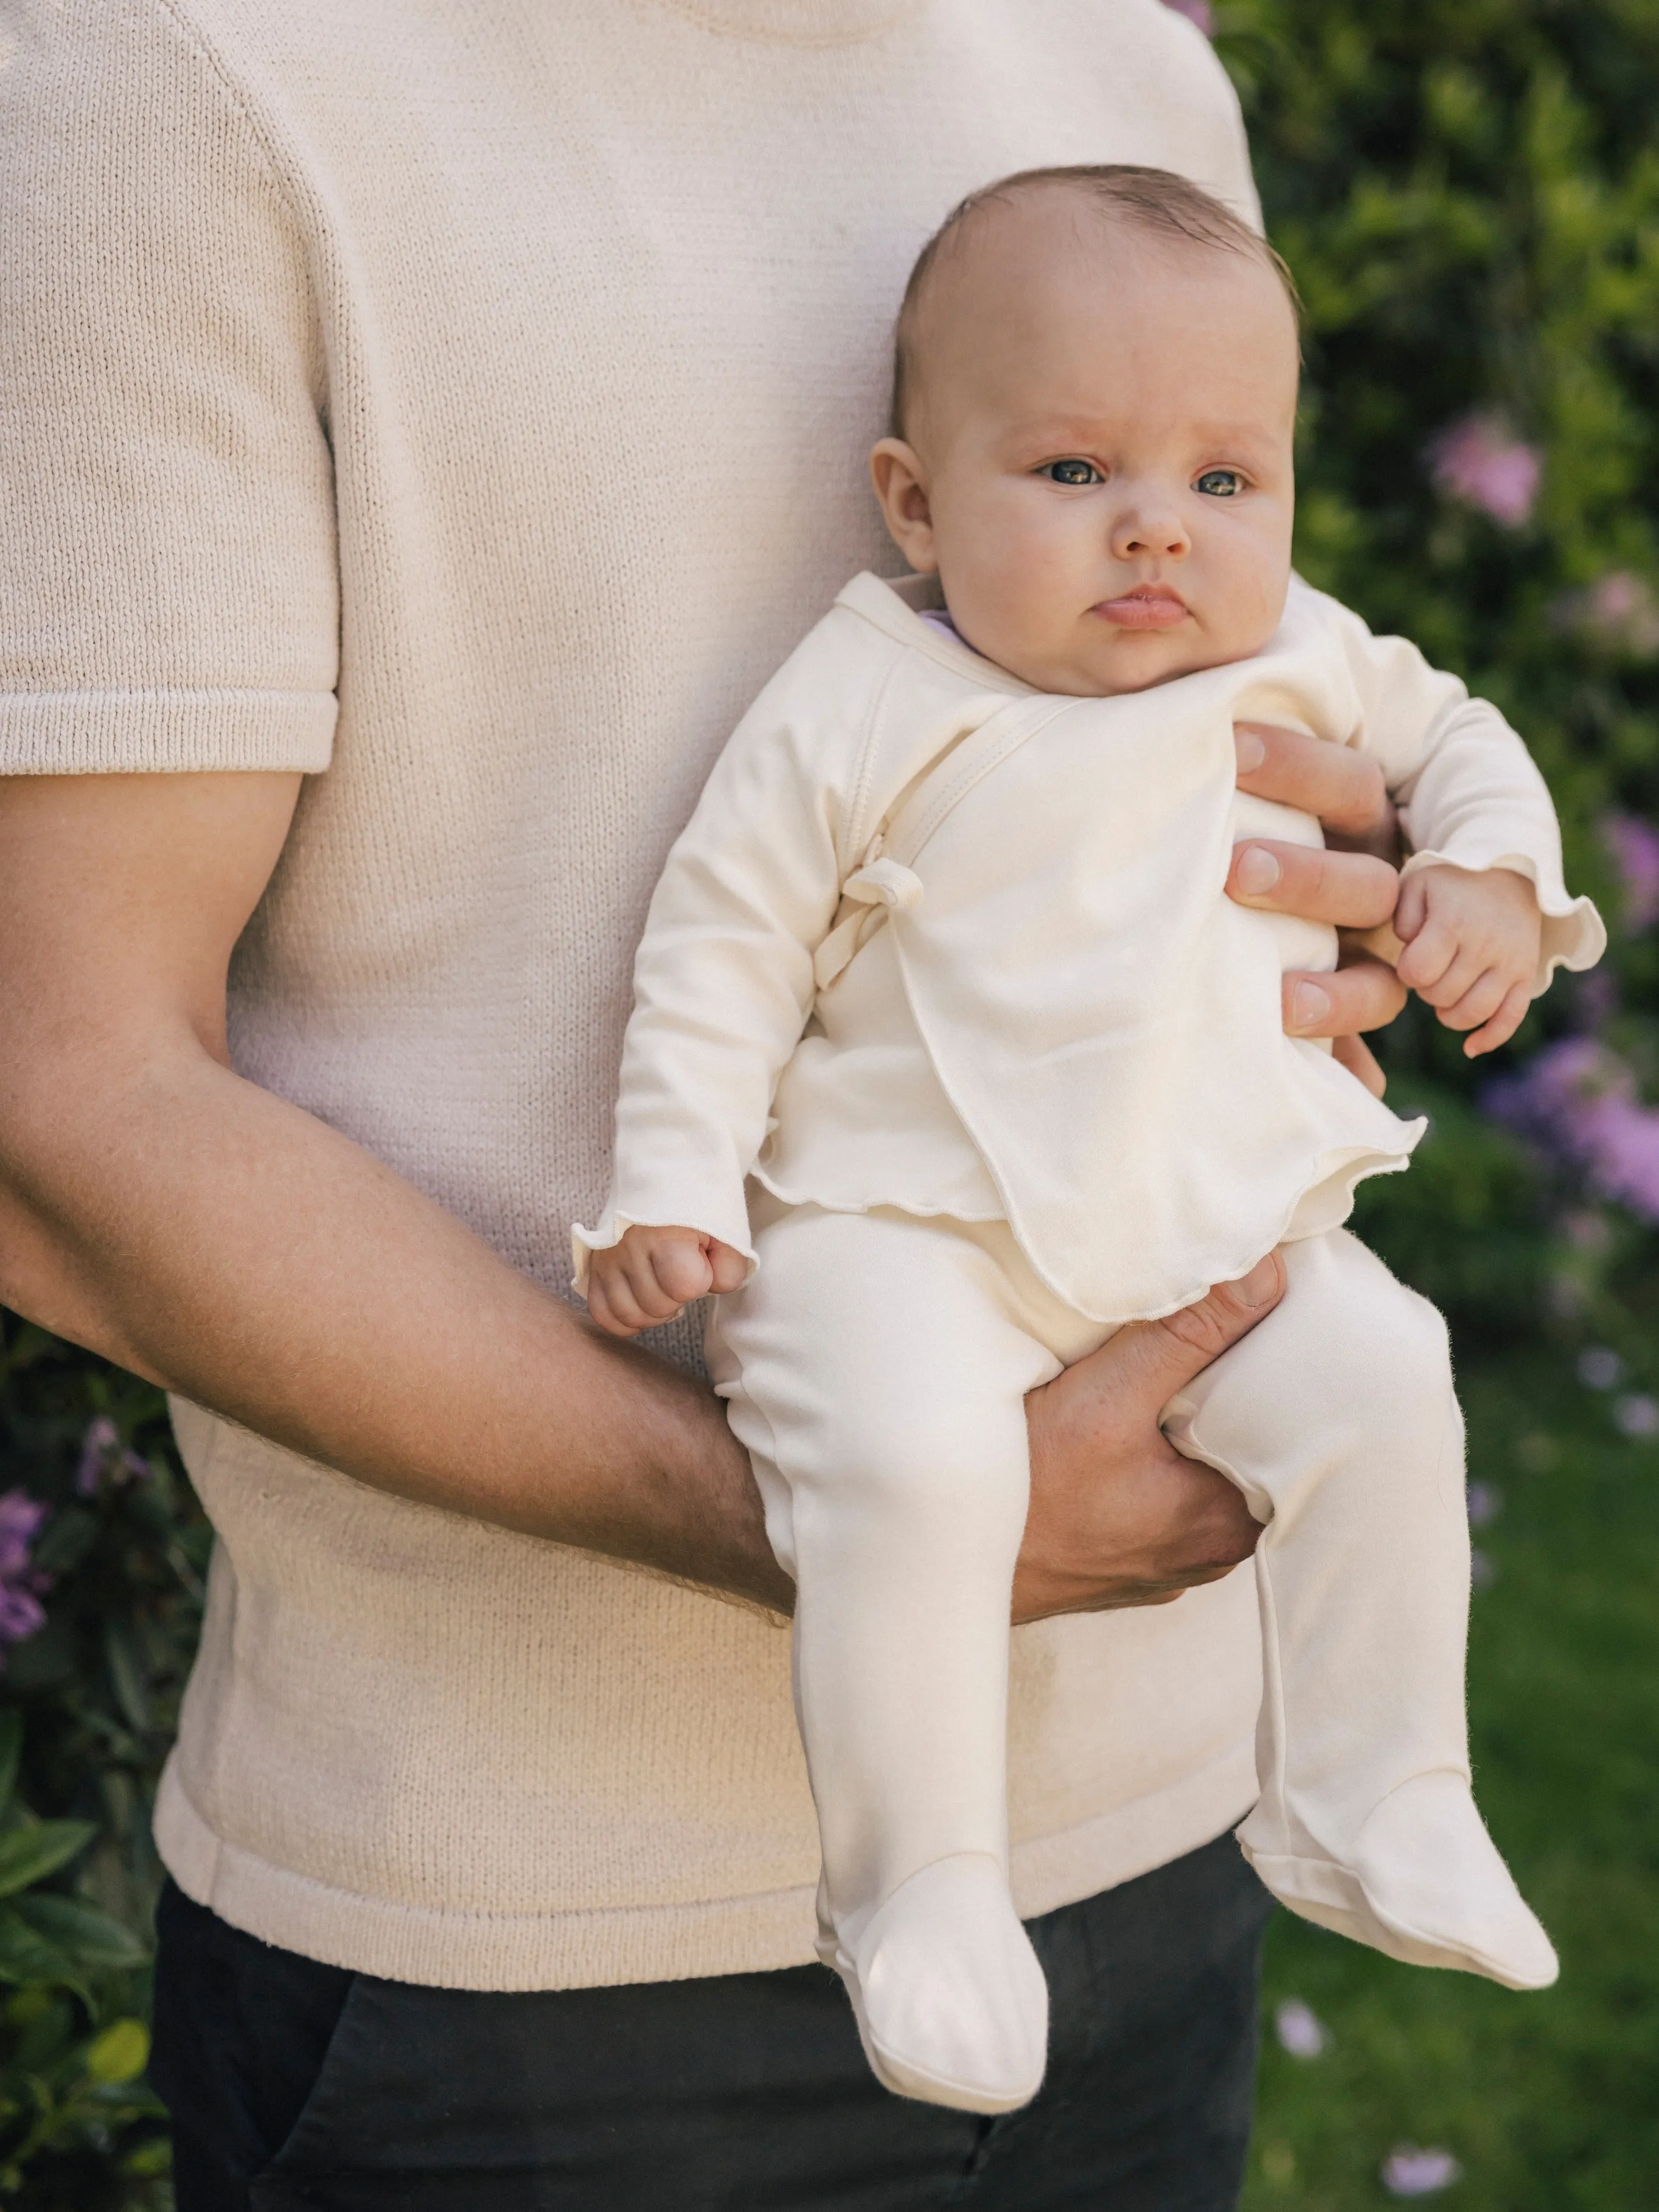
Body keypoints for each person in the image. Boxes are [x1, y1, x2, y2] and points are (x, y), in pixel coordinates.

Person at [0, 4, 1428, 2205]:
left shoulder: (1122, 64)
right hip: (529, 1974)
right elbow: (61, 1099)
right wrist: (837, 1515)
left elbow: (1217, 691)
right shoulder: (172, 76)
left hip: (1167, 1818)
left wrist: (1351, 886)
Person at [580, 166, 1599, 2115]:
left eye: (1224, 480)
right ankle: (919, 1888)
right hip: (901, 1230)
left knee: (1383, 1376)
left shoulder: (1296, 654)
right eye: (1070, 471)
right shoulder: (874, 688)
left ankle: (1379, 1790)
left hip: (1193, 1228)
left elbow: (1458, 735)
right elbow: (720, 944)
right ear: (912, 501)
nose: (1157, 526)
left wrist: (1481, 869)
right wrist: (672, 1189)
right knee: (912, 1467)